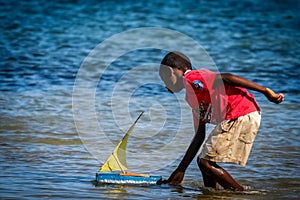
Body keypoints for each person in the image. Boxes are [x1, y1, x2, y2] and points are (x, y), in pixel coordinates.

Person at [159, 51, 284, 191]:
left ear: (172, 71)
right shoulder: (192, 97)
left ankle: (241, 194)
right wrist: (180, 170)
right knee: (204, 161)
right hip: (244, 114)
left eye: (164, 78)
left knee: (205, 162)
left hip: (240, 112)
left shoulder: (191, 77)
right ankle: (213, 194)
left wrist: (265, 91)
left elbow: (227, 77)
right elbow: (199, 137)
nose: (165, 85)